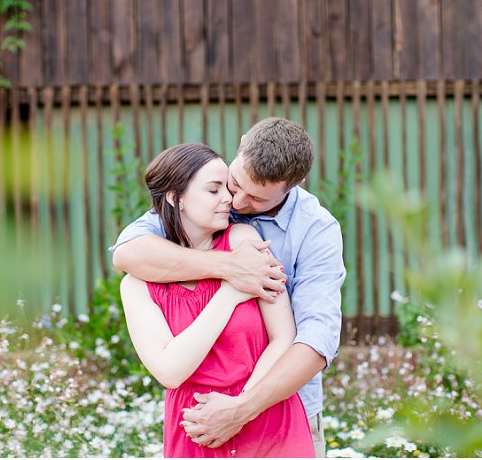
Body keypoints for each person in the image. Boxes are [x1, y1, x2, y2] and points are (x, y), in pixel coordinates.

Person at [112, 118, 345, 457]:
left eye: (256, 198)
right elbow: (127, 252)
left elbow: (314, 341)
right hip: (200, 422)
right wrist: (230, 272)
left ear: (293, 186)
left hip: (280, 410)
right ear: (241, 144)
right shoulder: (202, 195)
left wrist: (240, 409)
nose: (235, 203)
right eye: (234, 184)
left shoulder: (315, 230)